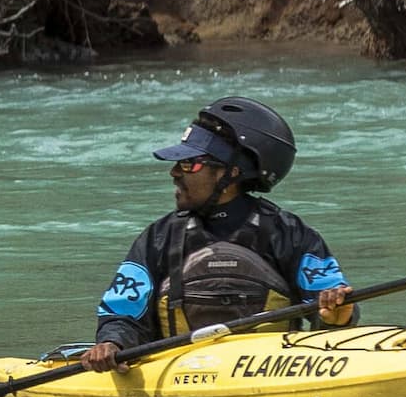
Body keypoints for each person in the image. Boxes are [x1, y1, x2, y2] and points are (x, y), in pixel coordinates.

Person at [80, 97, 356, 372]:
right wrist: (112, 343)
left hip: (272, 372)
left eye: (190, 164)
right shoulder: (159, 238)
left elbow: (331, 312)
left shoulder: (289, 234)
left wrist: (338, 315)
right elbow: (123, 314)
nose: (174, 172)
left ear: (231, 173)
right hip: (178, 374)